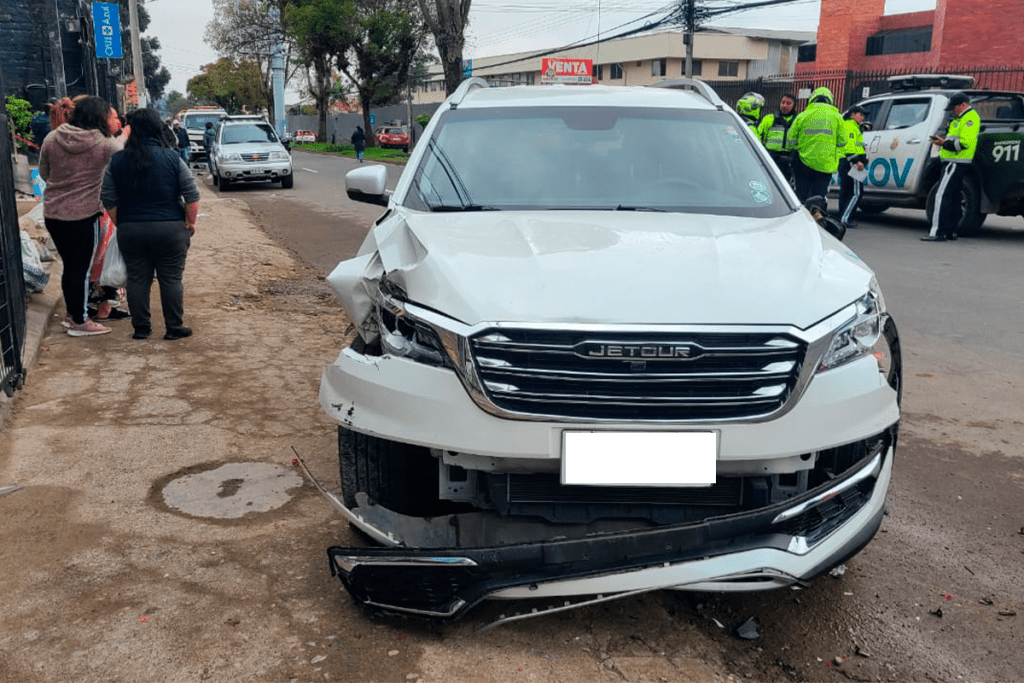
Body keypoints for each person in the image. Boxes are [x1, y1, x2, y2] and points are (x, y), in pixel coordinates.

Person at [101, 108, 200, 340]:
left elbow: (108, 197)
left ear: (131, 129)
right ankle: (174, 328)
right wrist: (189, 223)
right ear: (158, 128)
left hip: (131, 230)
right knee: (171, 279)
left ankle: (141, 328)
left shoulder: (117, 161)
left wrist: (121, 222)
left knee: (137, 279)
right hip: (170, 229)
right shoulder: (173, 158)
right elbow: (192, 196)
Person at [38, 95, 122, 337]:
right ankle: (79, 320)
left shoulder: (52, 137)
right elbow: (123, 167)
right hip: (84, 215)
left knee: (70, 268)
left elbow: (44, 172)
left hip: (53, 214)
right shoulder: (105, 143)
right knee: (81, 270)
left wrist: (63, 187)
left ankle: (72, 314)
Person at [923, 92, 980, 242]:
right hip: (955, 161)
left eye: (953, 108)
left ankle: (937, 232)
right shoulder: (959, 118)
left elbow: (964, 143)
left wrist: (944, 144)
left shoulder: (969, 118)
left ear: (962, 105)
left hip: (955, 162)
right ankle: (950, 231)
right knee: (954, 196)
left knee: (941, 195)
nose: (952, 111)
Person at [789, 86, 845, 203]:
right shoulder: (837, 117)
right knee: (820, 195)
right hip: (825, 164)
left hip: (804, 162)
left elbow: (790, 139)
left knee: (801, 195)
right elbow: (842, 142)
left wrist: (799, 147)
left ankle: (802, 216)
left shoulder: (802, 116)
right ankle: (817, 213)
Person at [837, 105, 869, 229]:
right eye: (860, 114)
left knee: (846, 191)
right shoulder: (850, 126)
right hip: (851, 163)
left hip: (845, 162)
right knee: (856, 192)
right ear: (852, 114)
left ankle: (842, 217)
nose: (862, 117)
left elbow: (858, 146)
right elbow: (849, 146)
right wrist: (856, 161)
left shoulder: (854, 127)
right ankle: (845, 218)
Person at [758, 93, 798, 181]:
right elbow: (758, 137)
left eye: (788, 103)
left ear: (794, 106)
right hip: (771, 158)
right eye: (783, 102)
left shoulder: (797, 122)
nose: (784, 105)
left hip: (790, 161)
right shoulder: (769, 119)